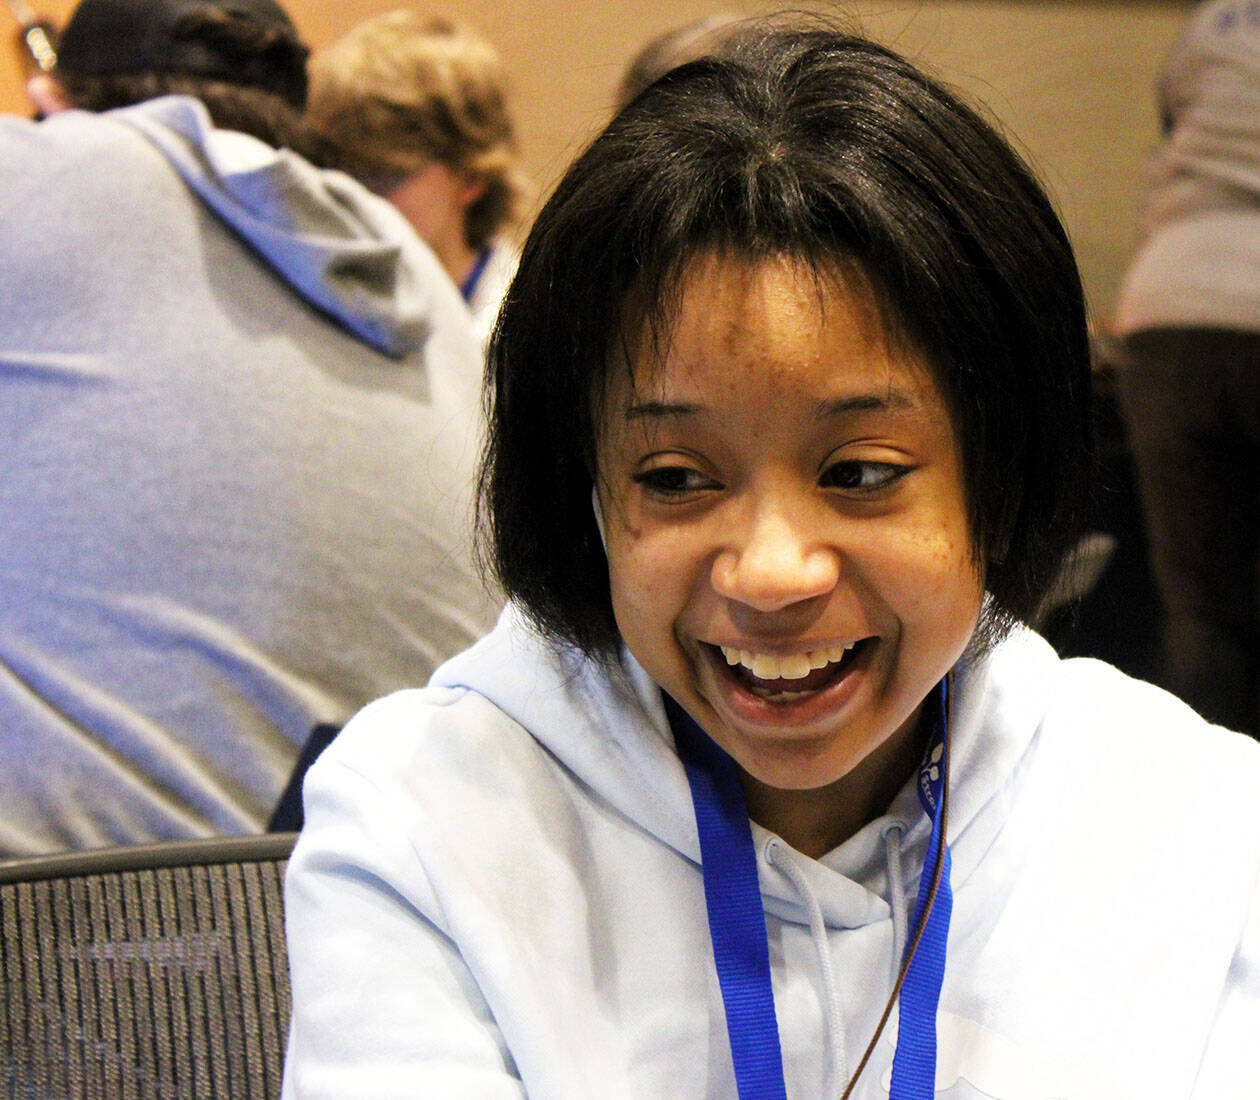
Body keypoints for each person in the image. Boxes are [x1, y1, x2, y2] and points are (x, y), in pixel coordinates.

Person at [282, 20, 1260, 1098]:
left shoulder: (1192, 819)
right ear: (586, 489)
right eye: (675, 477)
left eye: (860, 471)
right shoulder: (424, 820)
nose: (771, 570)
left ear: (1000, 469)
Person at [0, 0, 499, 856]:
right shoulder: (405, 255)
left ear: (52, 99)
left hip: (75, 935)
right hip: (394, 912)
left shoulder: (33, 174)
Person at [1113, 0, 1260, 736]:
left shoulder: (1209, 24)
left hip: (1170, 303)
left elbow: (1174, 125)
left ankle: (1217, 822)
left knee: (1199, 607)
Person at [306, 11, 526, 346]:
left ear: (471, 176)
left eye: (382, 175)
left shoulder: (531, 336)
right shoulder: (319, 305)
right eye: (334, 172)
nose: (352, 198)